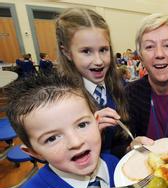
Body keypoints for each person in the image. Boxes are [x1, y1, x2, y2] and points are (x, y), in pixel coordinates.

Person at [5, 74, 120, 188]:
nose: (75, 142)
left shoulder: (114, 164)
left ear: (97, 122)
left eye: (82, 124)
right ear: (34, 152)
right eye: (52, 138)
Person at [55, 8, 131, 158]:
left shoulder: (117, 85)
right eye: (86, 51)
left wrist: (129, 148)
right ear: (67, 53)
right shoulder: (60, 101)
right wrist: (88, 132)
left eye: (103, 50)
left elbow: (117, 143)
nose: (98, 61)